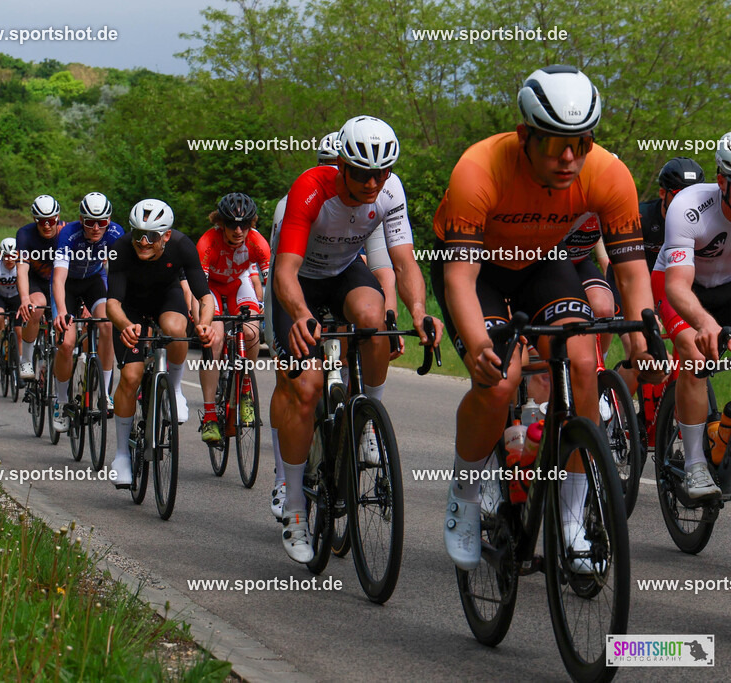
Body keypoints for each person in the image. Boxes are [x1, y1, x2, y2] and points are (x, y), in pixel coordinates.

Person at [430, 65, 660, 573]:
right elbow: (461, 281)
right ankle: (465, 492)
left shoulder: (607, 173)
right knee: (499, 379)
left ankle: (572, 520)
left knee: (580, 363)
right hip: (478, 270)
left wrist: (643, 332)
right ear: (525, 135)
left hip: (541, 260)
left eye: (581, 142)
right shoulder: (479, 169)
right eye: (556, 144)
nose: (570, 158)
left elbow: (632, 269)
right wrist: (475, 344)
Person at [267, 115, 441, 562]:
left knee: (375, 320)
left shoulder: (389, 190)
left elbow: (403, 263)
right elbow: (284, 271)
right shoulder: (309, 189)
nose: (373, 182)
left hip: (344, 273)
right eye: (363, 173)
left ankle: (367, 420)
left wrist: (419, 313)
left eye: (381, 173)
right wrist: (302, 316)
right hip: (299, 282)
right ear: (342, 165)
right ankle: (294, 509)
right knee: (304, 387)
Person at [105, 199, 217, 486]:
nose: (143, 242)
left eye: (151, 236)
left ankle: (175, 389)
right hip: (129, 307)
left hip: (165, 300)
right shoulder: (119, 249)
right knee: (130, 378)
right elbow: (112, 303)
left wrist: (204, 324)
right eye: (137, 233)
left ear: (166, 235)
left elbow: (204, 297)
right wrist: (125, 326)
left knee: (176, 329)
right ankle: (120, 455)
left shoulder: (181, 245)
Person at [651, 133, 731, 498]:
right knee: (694, 355)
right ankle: (696, 465)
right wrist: (703, 323)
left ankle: (723, 433)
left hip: (726, 286)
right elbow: (678, 287)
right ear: (721, 181)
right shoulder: (689, 205)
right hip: (679, 285)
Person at [197, 192, 270, 444]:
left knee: (251, 332)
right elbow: (200, 289)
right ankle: (209, 415)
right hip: (212, 290)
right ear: (220, 223)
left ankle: (245, 389)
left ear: (252, 223)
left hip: (238, 286)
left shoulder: (258, 243)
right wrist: (203, 322)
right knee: (214, 340)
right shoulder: (207, 242)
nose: (238, 230)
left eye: (245, 224)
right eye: (231, 224)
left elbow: (270, 285)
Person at [52, 192, 124, 430]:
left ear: (109, 220)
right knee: (66, 342)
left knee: (108, 323)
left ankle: (104, 392)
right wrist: (62, 311)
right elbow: (59, 278)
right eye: (90, 222)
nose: (95, 228)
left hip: (94, 281)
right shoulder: (68, 234)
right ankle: (61, 402)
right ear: (81, 219)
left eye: (102, 222)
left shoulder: (116, 233)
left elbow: (119, 275)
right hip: (69, 286)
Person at [17, 195, 63, 382]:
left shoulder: (66, 232)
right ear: (34, 219)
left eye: (51, 220)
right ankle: (26, 359)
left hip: (59, 280)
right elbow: (21, 270)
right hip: (35, 280)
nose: (46, 225)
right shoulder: (25, 234)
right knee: (36, 308)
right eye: (41, 221)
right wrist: (25, 299)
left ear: (57, 218)